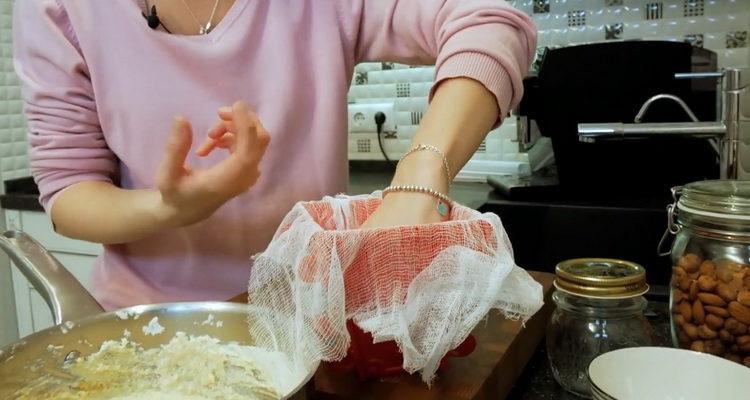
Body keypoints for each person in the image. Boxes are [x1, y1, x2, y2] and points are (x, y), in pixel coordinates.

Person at [12, 0, 535, 310]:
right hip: (147, 330)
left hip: (308, 322)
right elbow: (67, 192)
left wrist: (420, 174)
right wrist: (170, 208)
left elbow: (489, 22)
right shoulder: (59, 9)